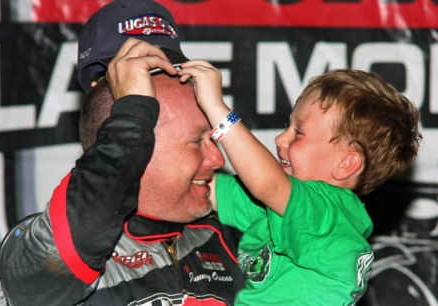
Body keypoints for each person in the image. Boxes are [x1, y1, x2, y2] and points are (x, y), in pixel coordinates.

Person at [0, 1, 244, 305]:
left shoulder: (232, 232)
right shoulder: (40, 247)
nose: (218, 159)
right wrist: (133, 113)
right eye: (195, 142)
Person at [178, 61, 422, 305]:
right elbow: (199, 187)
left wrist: (217, 109)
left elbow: (266, 183)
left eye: (299, 133)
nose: (280, 138)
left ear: (345, 164)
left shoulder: (328, 219)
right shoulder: (278, 208)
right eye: (288, 126)